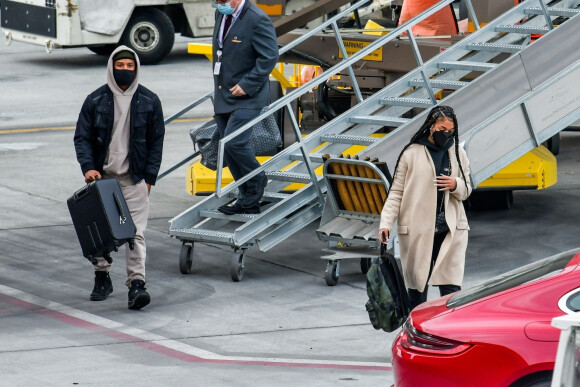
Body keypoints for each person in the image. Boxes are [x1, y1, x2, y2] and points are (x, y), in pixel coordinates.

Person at [74, 46, 165, 310]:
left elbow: (156, 143)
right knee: (100, 233)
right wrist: (88, 167)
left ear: (136, 68)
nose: (124, 70)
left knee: (134, 233)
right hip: (102, 180)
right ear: (111, 67)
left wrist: (150, 178)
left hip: (134, 179)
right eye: (120, 65)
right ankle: (102, 277)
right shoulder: (95, 100)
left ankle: (137, 285)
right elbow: (82, 137)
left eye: (129, 66)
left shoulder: (150, 100)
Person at [378, 105, 471, 310]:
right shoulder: (411, 153)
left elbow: (467, 190)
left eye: (450, 131)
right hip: (419, 232)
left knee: (451, 293)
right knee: (417, 293)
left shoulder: (457, 153)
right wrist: (385, 223)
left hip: (450, 232)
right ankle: (415, 335)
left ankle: (448, 336)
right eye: (441, 129)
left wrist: (456, 184)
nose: (446, 134)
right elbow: (396, 193)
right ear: (431, 127)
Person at [211, 0, 279, 215]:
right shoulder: (221, 15)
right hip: (225, 93)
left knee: (235, 142)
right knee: (227, 147)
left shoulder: (257, 18)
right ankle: (246, 199)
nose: (220, 4)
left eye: (223, 0)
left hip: (249, 95)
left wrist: (248, 84)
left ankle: (257, 180)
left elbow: (269, 56)